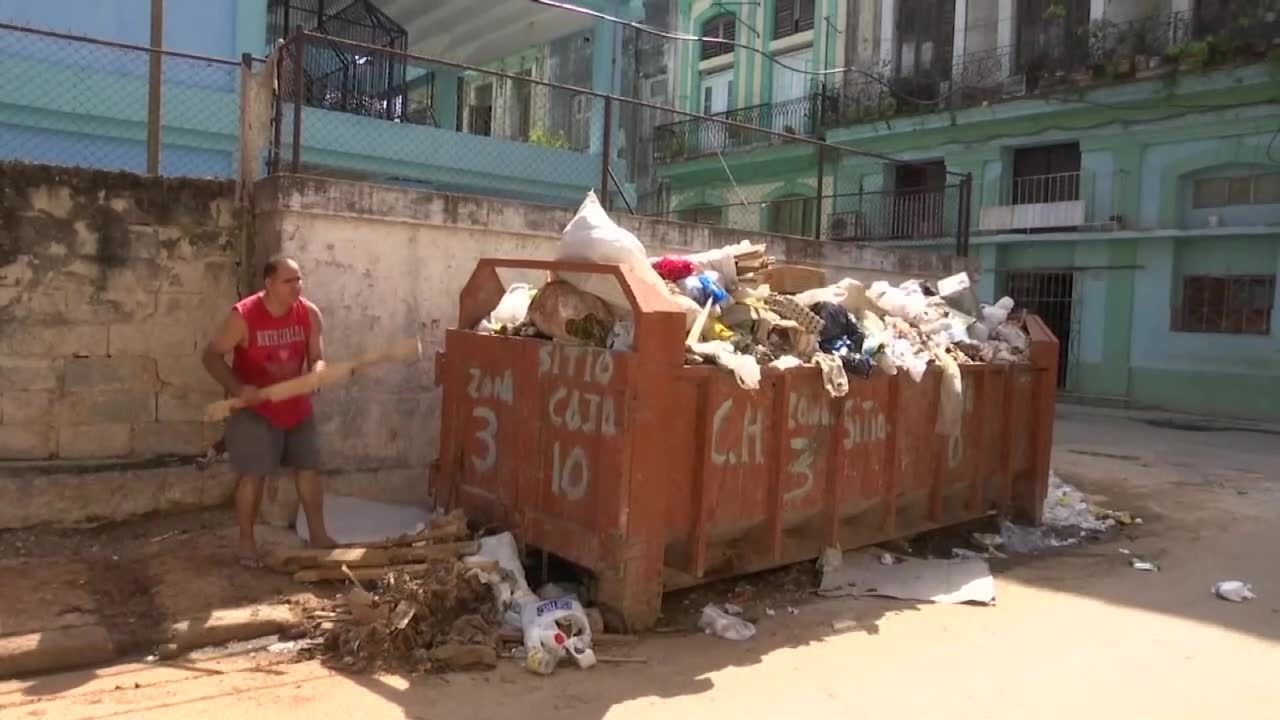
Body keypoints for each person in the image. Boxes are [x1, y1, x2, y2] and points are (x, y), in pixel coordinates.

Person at [202, 255, 337, 567]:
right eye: (288, 281)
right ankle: (247, 544)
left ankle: (318, 535)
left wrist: (317, 372)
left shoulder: (309, 313)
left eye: (299, 279)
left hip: (297, 407)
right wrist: (239, 389)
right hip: (256, 410)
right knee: (253, 476)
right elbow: (210, 356)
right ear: (269, 283)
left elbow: (317, 355)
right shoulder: (244, 316)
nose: (297, 287)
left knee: (309, 469)